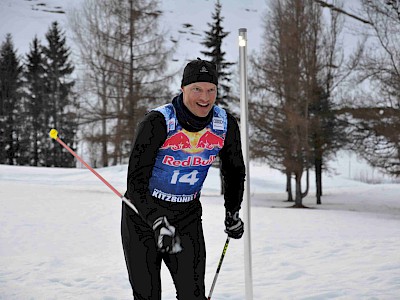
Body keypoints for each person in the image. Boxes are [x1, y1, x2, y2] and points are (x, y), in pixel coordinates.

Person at [121, 58, 246, 300]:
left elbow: (234, 171)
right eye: (197, 89)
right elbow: (135, 183)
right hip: (143, 218)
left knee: (193, 294)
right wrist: (157, 221)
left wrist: (232, 212)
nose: (205, 97)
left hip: (186, 216)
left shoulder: (224, 124)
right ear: (183, 89)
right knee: (147, 295)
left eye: (211, 90)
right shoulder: (158, 122)